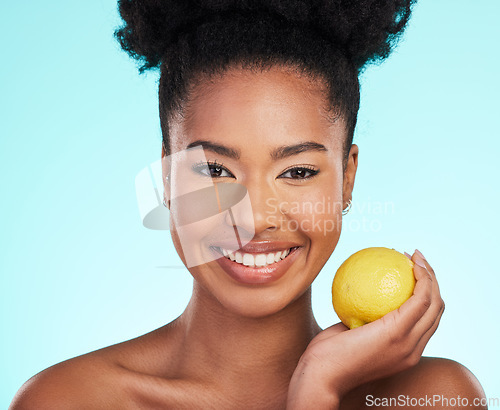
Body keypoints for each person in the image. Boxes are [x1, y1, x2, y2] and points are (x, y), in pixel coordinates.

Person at [10, 1, 487, 408]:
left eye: (297, 172)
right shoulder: (69, 400)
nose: (255, 218)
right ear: (167, 177)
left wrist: (318, 388)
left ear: (347, 179)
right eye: (215, 170)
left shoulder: (432, 396)